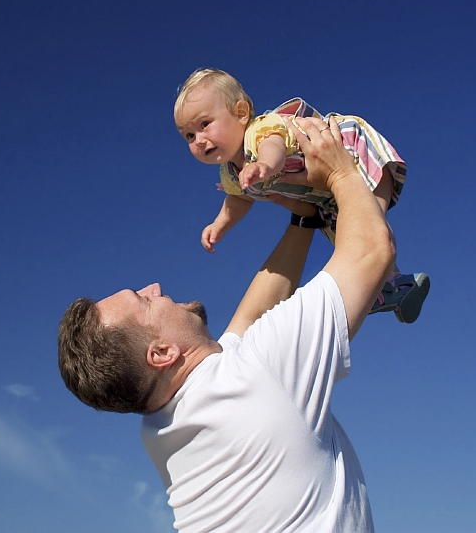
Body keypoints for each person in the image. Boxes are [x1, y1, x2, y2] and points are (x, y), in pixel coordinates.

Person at [58, 117, 396, 531]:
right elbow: (372, 252)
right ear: (162, 353)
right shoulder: (255, 379)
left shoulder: (161, 426)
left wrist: (305, 219)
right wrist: (341, 171)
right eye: (143, 301)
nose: (155, 287)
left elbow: (249, 319)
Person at [174, 68, 429, 323]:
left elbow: (273, 147)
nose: (198, 140)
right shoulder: (230, 173)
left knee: (367, 228)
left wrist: (264, 164)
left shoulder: (259, 131)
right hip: (328, 195)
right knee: (351, 238)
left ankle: (382, 278)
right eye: (189, 135)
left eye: (205, 124)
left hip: (349, 153)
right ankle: (397, 286)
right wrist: (220, 225)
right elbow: (238, 199)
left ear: (241, 113)